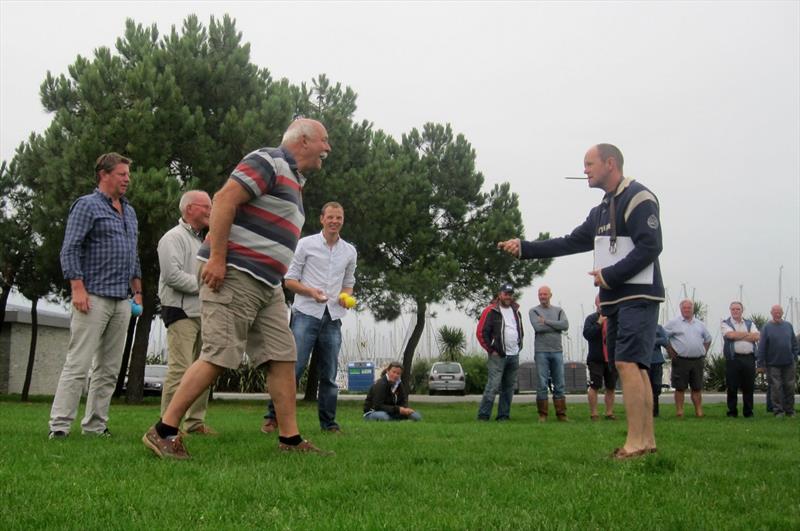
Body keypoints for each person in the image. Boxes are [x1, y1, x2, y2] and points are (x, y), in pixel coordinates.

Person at [142, 118, 332, 459]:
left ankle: (290, 440)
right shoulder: (269, 160)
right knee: (220, 354)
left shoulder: (294, 181)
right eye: (324, 141)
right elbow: (225, 198)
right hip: (235, 273)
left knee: (282, 357)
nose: (327, 149)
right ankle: (163, 431)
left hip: (268, 284)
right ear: (303, 141)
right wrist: (216, 258)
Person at [498, 143, 664, 459]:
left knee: (630, 364)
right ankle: (646, 440)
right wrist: (525, 248)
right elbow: (571, 241)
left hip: (638, 296)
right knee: (635, 366)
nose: (584, 170)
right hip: (617, 299)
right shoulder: (602, 209)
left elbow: (651, 247)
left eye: (589, 164)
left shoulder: (638, 198)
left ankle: (635, 442)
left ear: (610, 163)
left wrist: (610, 275)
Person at [48, 153, 142, 439]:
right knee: (78, 364)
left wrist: (137, 292)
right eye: (122, 174)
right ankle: (60, 427)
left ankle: (96, 426)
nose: (127, 179)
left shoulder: (130, 211)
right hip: (93, 297)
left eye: (128, 174)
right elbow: (70, 248)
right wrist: (77, 288)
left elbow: (133, 255)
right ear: (104, 174)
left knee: (109, 369)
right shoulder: (86, 206)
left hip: (122, 299)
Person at [261, 201, 357, 434]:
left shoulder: (349, 251)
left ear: (343, 221)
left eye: (339, 218)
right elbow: (289, 280)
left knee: (330, 375)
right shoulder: (305, 244)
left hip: (333, 318)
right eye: (331, 217)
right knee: (292, 370)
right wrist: (311, 292)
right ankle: (272, 418)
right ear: (322, 219)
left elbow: (348, 285)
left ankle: (329, 424)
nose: (335, 221)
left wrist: (345, 297)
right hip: (305, 314)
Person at [157, 190, 216, 435]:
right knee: (180, 370)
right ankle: (168, 424)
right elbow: (172, 276)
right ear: (190, 208)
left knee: (201, 371)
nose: (211, 212)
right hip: (180, 311)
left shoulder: (201, 241)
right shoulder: (173, 238)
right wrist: (207, 285)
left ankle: (194, 423)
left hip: (200, 313)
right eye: (206, 207)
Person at [475, 283, 524, 421]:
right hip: (498, 356)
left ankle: (503, 416)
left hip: (514, 354)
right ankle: (483, 416)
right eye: (506, 294)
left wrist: (519, 345)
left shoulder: (516, 311)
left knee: (508, 388)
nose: (508, 297)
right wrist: (491, 350)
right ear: (500, 294)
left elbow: (519, 329)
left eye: (510, 294)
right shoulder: (490, 311)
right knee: (493, 386)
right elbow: (481, 333)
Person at [664, 299, 712, 418]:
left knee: (697, 387)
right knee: (680, 388)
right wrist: (670, 350)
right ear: (681, 309)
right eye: (684, 308)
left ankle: (699, 411)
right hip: (681, 360)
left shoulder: (700, 324)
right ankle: (680, 412)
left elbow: (708, 339)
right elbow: (663, 336)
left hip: (697, 360)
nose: (686, 310)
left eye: (689, 308)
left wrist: (704, 351)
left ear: (692, 309)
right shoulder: (673, 323)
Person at [531, 285, 570, 421]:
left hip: (557, 351)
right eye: (540, 294)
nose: (542, 297)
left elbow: (565, 325)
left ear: (550, 295)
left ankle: (561, 414)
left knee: (559, 383)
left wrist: (546, 321)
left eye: (545, 294)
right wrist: (555, 326)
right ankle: (542, 415)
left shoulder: (559, 311)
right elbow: (537, 327)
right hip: (541, 351)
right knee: (542, 383)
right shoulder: (534, 311)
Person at [757, 305, 798, 417]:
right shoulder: (766, 327)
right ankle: (778, 411)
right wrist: (760, 364)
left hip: (789, 363)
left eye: (779, 312)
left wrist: (795, 357)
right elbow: (762, 347)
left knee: (789, 387)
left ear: (782, 313)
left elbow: (794, 343)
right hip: (773, 364)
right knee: (776, 388)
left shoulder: (788, 326)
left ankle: (790, 411)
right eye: (775, 312)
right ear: (771, 313)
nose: (777, 314)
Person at [721, 301, 760, 418]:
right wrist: (747, 335)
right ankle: (732, 412)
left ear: (742, 310)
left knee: (748, 386)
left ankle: (748, 412)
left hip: (749, 358)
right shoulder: (725, 323)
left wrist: (738, 335)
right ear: (730, 311)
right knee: (732, 386)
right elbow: (730, 336)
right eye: (733, 309)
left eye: (737, 309)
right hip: (733, 359)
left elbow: (757, 336)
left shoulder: (750, 323)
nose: (735, 311)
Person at [584, 295, 616, 421]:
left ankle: (609, 412)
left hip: (611, 358)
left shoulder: (614, 318)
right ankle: (594, 413)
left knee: (611, 386)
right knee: (595, 386)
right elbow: (588, 334)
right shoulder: (591, 318)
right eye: (600, 301)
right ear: (596, 303)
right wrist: (599, 323)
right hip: (596, 358)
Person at [649, 324, 668, 417]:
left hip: (656, 361)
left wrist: (653, 341)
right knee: (644, 387)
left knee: (656, 387)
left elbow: (665, 340)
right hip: (642, 361)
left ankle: (655, 411)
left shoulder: (658, 328)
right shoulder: (638, 326)